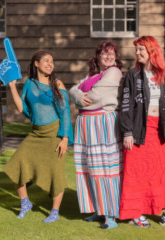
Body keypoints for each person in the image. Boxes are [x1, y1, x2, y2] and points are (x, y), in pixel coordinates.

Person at [119, 36, 165, 227]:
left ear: (152, 51)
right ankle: (136, 214)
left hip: (160, 131)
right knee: (137, 173)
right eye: (136, 50)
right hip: (138, 131)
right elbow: (125, 106)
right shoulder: (133, 75)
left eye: (141, 50)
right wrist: (127, 132)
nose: (137, 53)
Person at [3, 50, 74, 223]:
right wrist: (12, 86)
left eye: (52, 61)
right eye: (46, 61)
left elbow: (65, 113)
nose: (50, 64)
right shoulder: (29, 83)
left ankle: (55, 211)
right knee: (16, 166)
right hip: (36, 133)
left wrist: (65, 139)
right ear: (36, 63)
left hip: (54, 134)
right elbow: (21, 108)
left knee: (55, 173)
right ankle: (25, 203)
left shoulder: (57, 84)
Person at [69, 41, 123, 229]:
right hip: (85, 125)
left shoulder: (114, 72)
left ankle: (110, 215)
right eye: (104, 53)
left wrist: (79, 101)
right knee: (89, 168)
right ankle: (98, 209)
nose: (108, 57)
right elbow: (73, 90)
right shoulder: (92, 74)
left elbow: (96, 97)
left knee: (105, 169)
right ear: (98, 56)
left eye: (112, 54)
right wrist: (77, 96)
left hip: (102, 123)